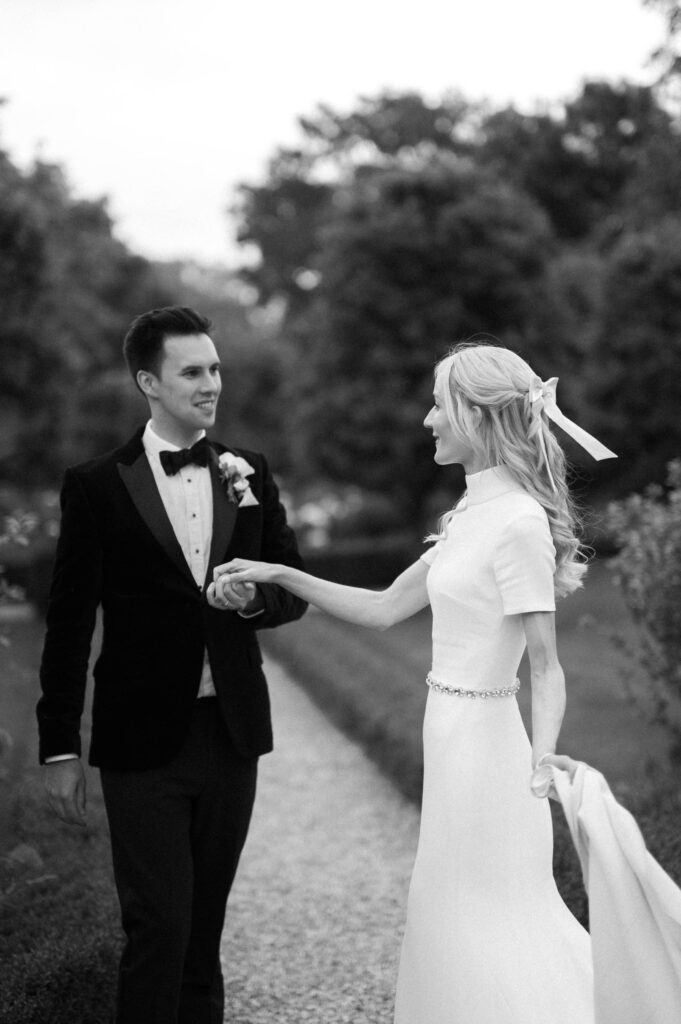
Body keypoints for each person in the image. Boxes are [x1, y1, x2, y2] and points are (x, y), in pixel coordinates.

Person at [209, 341, 618, 1024]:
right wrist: (277, 572)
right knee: (448, 916)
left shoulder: (515, 522)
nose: (427, 420)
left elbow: (544, 666)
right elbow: (381, 607)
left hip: (489, 755)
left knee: (492, 921)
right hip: (451, 736)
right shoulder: (467, 516)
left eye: (437, 405)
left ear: (475, 414)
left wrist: (542, 758)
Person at [37, 305, 307, 1024]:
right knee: (158, 926)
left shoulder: (248, 473)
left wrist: (253, 602)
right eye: (193, 371)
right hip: (141, 741)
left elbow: (292, 590)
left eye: (215, 368)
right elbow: (68, 623)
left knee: (203, 931)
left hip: (231, 734)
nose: (211, 383)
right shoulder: (96, 486)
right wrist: (60, 745)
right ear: (148, 382)